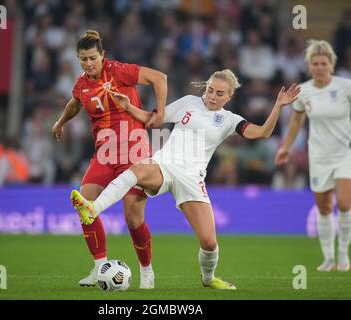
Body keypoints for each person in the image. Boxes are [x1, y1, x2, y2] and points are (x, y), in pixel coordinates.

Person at [70, 69, 299, 289]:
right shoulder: (189, 102)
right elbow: (155, 119)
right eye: (210, 90)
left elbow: (262, 133)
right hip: (165, 165)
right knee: (138, 170)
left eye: (219, 93)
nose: (212, 96)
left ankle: (208, 278)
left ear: (229, 96)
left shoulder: (229, 120)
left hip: (192, 179)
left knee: (209, 243)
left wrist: (278, 106)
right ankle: (92, 208)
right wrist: (129, 107)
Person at [52, 30, 167, 288]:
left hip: (133, 151)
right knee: (85, 205)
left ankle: (147, 272)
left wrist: (160, 112)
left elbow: (160, 78)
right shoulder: (82, 83)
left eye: (93, 58)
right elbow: (75, 104)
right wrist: (60, 123)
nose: (89, 63)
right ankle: (98, 268)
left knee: (133, 218)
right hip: (104, 154)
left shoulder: (119, 71)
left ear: (102, 55)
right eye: (83, 59)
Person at [275, 40, 351, 272]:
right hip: (318, 155)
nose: (319, 67)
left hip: (344, 153)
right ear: (309, 66)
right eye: (315, 63)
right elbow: (297, 119)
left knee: (346, 203)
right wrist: (286, 147)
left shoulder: (345, 87)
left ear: (331, 64)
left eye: (323, 63)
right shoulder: (303, 91)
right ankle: (328, 258)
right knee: (325, 207)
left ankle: (343, 254)